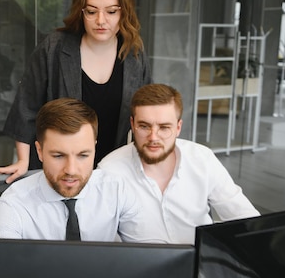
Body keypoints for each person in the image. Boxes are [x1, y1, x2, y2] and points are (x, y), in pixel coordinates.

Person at [0, 0, 151, 183]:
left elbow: (146, 112)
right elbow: (26, 107)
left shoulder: (134, 55)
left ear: (124, 13)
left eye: (111, 11)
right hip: (61, 168)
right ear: (81, 12)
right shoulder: (54, 48)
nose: (101, 20)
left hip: (113, 169)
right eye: (92, 12)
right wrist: (23, 161)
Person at [98, 83, 260, 245]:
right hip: (139, 267)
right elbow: (100, 241)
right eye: (144, 126)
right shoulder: (109, 172)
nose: (153, 137)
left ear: (178, 127)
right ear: (132, 125)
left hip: (198, 263)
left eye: (164, 127)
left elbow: (244, 219)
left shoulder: (202, 159)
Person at [0, 98, 147, 242]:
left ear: (94, 148)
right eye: (58, 156)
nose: (71, 170)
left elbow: (145, 256)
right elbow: (7, 271)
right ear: (39, 151)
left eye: (83, 155)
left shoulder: (117, 190)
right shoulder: (11, 206)